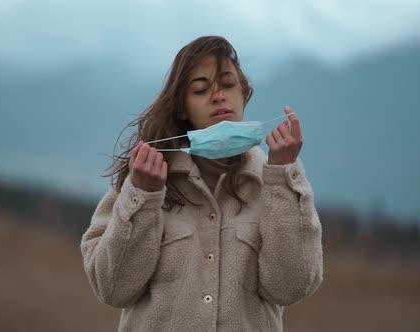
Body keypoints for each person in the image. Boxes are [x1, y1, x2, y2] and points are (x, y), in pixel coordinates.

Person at [81, 35, 323, 331]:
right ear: (182, 108)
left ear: (244, 94)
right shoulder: (147, 175)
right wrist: (142, 196)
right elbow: (113, 288)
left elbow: (292, 287)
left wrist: (284, 176)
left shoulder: (274, 180)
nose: (218, 95)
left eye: (228, 84)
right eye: (200, 89)